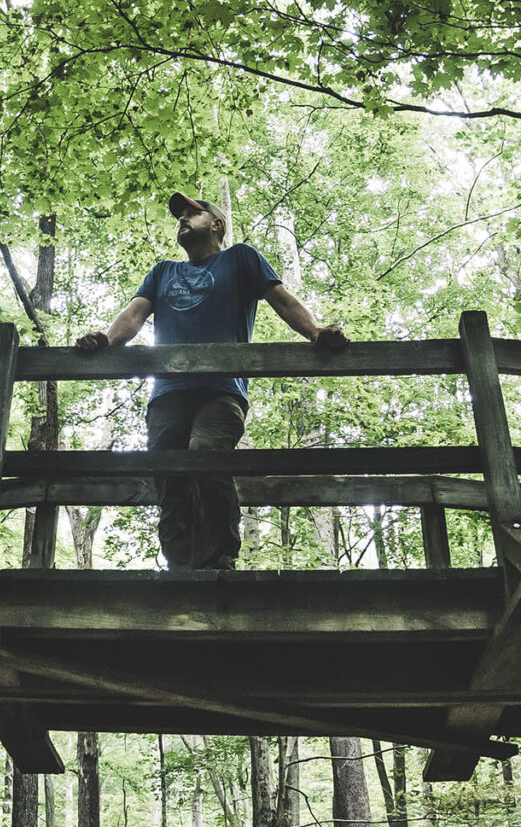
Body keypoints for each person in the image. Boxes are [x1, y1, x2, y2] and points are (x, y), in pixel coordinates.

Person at [76, 193, 348, 569]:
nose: (182, 219)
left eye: (192, 213)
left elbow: (282, 300)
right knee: (171, 482)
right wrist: (106, 341)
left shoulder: (240, 259)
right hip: (168, 394)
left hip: (222, 391)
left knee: (205, 455)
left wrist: (316, 333)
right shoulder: (162, 272)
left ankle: (219, 563)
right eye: (180, 216)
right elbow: (134, 314)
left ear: (216, 224)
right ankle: (179, 570)